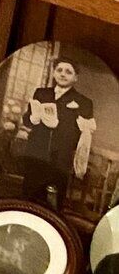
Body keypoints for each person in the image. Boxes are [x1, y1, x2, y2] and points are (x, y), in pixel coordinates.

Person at [27, 57, 96, 186]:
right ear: (54, 73)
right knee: (29, 194)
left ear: (76, 77)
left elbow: (85, 135)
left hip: (61, 159)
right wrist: (33, 118)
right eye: (59, 70)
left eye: (68, 72)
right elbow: (26, 120)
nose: (63, 74)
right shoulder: (41, 93)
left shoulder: (84, 102)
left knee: (54, 199)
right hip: (35, 153)